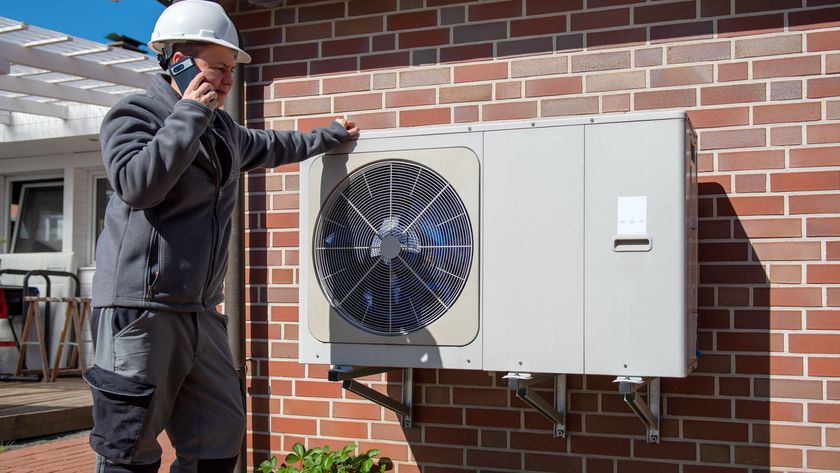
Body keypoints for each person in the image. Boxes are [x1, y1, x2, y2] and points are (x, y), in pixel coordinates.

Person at [84, 1, 359, 472]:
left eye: (232, 70)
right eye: (219, 69)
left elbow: (273, 145)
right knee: (131, 445)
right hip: (141, 310)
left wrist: (328, 136)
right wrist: (188, 112)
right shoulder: (135, 115)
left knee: (220, 435)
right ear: (179, 62)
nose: (228, 81)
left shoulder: (222, 130)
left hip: (199, 311)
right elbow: (137, 184)